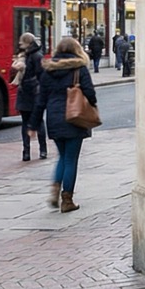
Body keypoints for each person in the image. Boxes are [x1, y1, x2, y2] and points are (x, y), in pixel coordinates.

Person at [28, 35, 97, 213]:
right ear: (76, 50)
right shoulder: (79, 69)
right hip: (74, 117)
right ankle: (67, 200)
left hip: (54, 118)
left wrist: (33, 125)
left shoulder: (48, 71)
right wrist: (91, 104)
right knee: (70, 159)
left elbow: (40, 101)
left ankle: (55, 189)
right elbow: (90, 92)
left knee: (62, 156)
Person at [15, 32, 48, 162]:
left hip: (34, 94)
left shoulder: (36, 56)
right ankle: (26, 152)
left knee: (38, 122)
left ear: (28, 43)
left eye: (22, 43)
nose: (20, 45)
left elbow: (41, 76)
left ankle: (43, 150)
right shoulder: (23, 56)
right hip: (25, 94)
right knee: (25, 123)